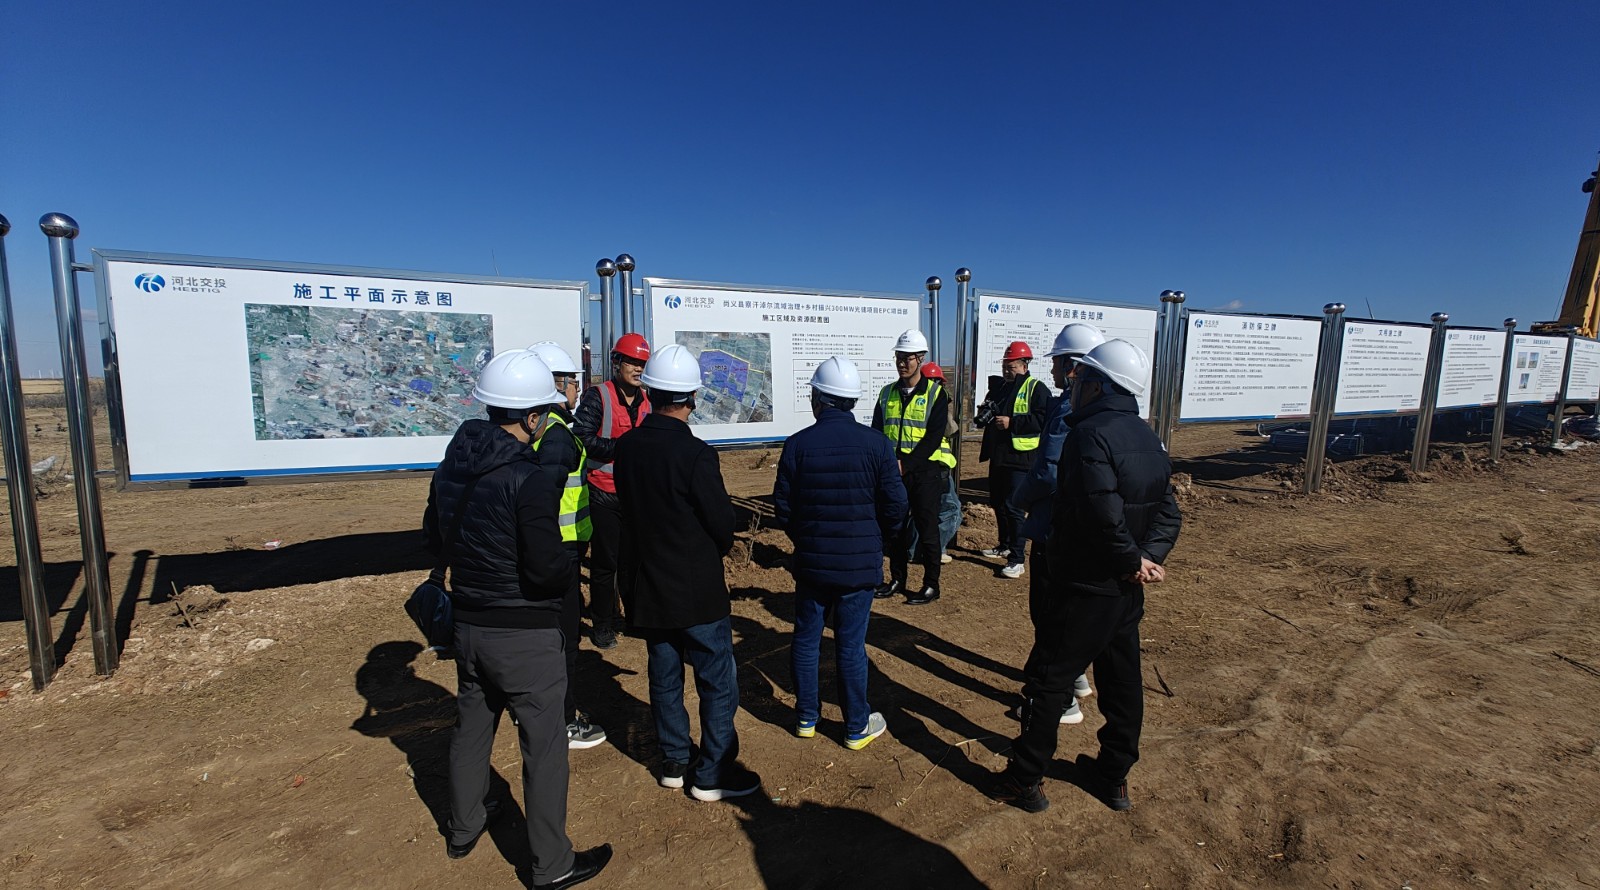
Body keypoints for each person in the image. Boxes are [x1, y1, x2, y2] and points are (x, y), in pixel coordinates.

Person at [422, 349, 612, 889]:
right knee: (544, 747)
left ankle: (464, 827)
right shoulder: (525, 478)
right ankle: (551, 864)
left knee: (472, 728)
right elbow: (547, 566)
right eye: (543, 414)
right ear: (530, 417)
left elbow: (434, 535)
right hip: (523, 633)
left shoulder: (452, 466)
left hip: (468, 624)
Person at [989, 339, 1180, 815]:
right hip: (1125, 590)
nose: (1072, 384)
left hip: (1086, 584)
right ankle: (1113, 776)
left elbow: (1100, 512)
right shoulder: (1146, 435)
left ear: (1098, 386)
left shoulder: (1089, 435)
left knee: (1049, 679)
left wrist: (1129, 560)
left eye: (1081, 378)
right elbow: (1168, 512)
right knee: (1121, 681)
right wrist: (1144, 558)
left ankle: (1024, 778)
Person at [613, 343, 761, 802]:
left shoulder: (627, 448)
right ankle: (712, 773)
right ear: (692, 397)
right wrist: (717, 548)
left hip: (647, 583)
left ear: (650, 392)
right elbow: (720, 522)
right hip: (696, 589)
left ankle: (675, 761)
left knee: (664, 675)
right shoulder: (696, 454)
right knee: (717, 680)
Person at [772, 356, 908, 749]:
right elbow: (896, 505)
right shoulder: (878, 444)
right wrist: (878, 540)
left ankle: (806, 718)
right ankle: (855, 727)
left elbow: (783, 507)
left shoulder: (798, 445)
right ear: (852, 400)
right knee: (850, 645)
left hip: (812, 564)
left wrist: (805, 539)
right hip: (859, 565)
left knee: (806, 639)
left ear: (818, 398)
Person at [1009, 323, 1106, 726]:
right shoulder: (1098, 406)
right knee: (1067, 610)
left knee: (1050, 614)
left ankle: (1060, 698)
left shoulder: (1068, 408)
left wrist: (1019, 499)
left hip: (1054, 526)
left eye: (1056, 361)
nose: (1051, 369)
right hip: (1080, 526)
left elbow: (1048, 470)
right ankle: (1076, 677)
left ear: (1072, 366)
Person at [526, 342, 607, 751]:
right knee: (564, 638)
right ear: (557, 384)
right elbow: (544, 500)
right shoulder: (557, 436)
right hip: (560, 547)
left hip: (554, 546)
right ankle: (564, 719)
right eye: (574, 381)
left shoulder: (539, 430)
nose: (578, 388)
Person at [573, 333, 652, 649]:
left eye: (642, 362)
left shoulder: (647, 401)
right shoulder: (598, 396)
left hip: (635, 497)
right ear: (617, 362)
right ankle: (603, 624)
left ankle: (635, 618)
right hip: (603, 493)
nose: (637, 368)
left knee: (633, 563)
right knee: (605, 565)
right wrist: (624, 448)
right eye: (631, 361)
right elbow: (583, 437)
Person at [872, 329, 955, 606]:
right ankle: (897, 579)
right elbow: (877, 432)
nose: (902, 363)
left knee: (927, 529)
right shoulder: (887, 393)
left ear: (920, 359)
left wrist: (906, 465)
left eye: (907, 358)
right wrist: (885, 464)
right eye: (899, 357)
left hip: (924, 473)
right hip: (893, 473)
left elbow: (933, 437)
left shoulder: (936, 394)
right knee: (895, 528)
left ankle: (931, 585)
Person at [975, 340, 1049, 580]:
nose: (1007, 371)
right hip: (999, 456)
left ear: (1025, 365)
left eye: (1012, 366)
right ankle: (1005, 545)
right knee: (998, 503)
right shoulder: (1000, 387)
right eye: (1005, 366)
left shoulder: (1036, 388)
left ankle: (1017, 559)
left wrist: (1012, 423)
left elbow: (1042, 419)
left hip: (1021, 458)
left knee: (1014, 507)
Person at [910, 361, 962, 565]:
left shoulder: (911, 403)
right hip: (938, 466)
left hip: (920, 466)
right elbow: (951, 429)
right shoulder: (935, 403)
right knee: (952, 510)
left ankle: (914, 550)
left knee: (921, 510)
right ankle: (932, 550)